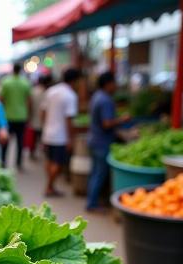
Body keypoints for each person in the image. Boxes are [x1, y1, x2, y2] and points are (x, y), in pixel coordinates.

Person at [86, 71, 130, 211]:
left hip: (94, 140)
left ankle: (92, 200)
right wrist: (122, 120)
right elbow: (106, 123)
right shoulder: (105, 100)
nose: (116, 86)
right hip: (102, 142)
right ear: (108, 84)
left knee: (95, 173)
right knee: (100, 174)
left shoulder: (96, 96)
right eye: (114, 83)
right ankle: (92, 203)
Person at [41, 67, 81, 197]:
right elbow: (69, 120)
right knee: (57, 163)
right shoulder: (70, 96)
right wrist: (71, 139)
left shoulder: (51, 91)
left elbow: (43, 112)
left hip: (48, 133)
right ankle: (49, 187)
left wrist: (44, 129)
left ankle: (51, 186)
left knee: (49, 160)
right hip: (60, 136)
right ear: (74, 80)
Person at [0, 63, 32, 170]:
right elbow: (28, 101)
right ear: (21, 70)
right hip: (21, 116)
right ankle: (19, 163)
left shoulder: (6, 82)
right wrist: (28, 115)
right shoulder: (25, 83)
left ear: (13, 70)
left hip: (8, 116)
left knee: (5, 141)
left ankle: (3, 162)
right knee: (20, 142)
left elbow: (1, 99)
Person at [29, 73, 52, 160]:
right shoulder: (47, 92)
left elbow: (29, 104)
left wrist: (29, 116)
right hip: (44, 120)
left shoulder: (33, 91)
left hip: (34, 117)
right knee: (42, 138)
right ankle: (44, 153)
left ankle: (32, 152)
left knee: (34, 137)